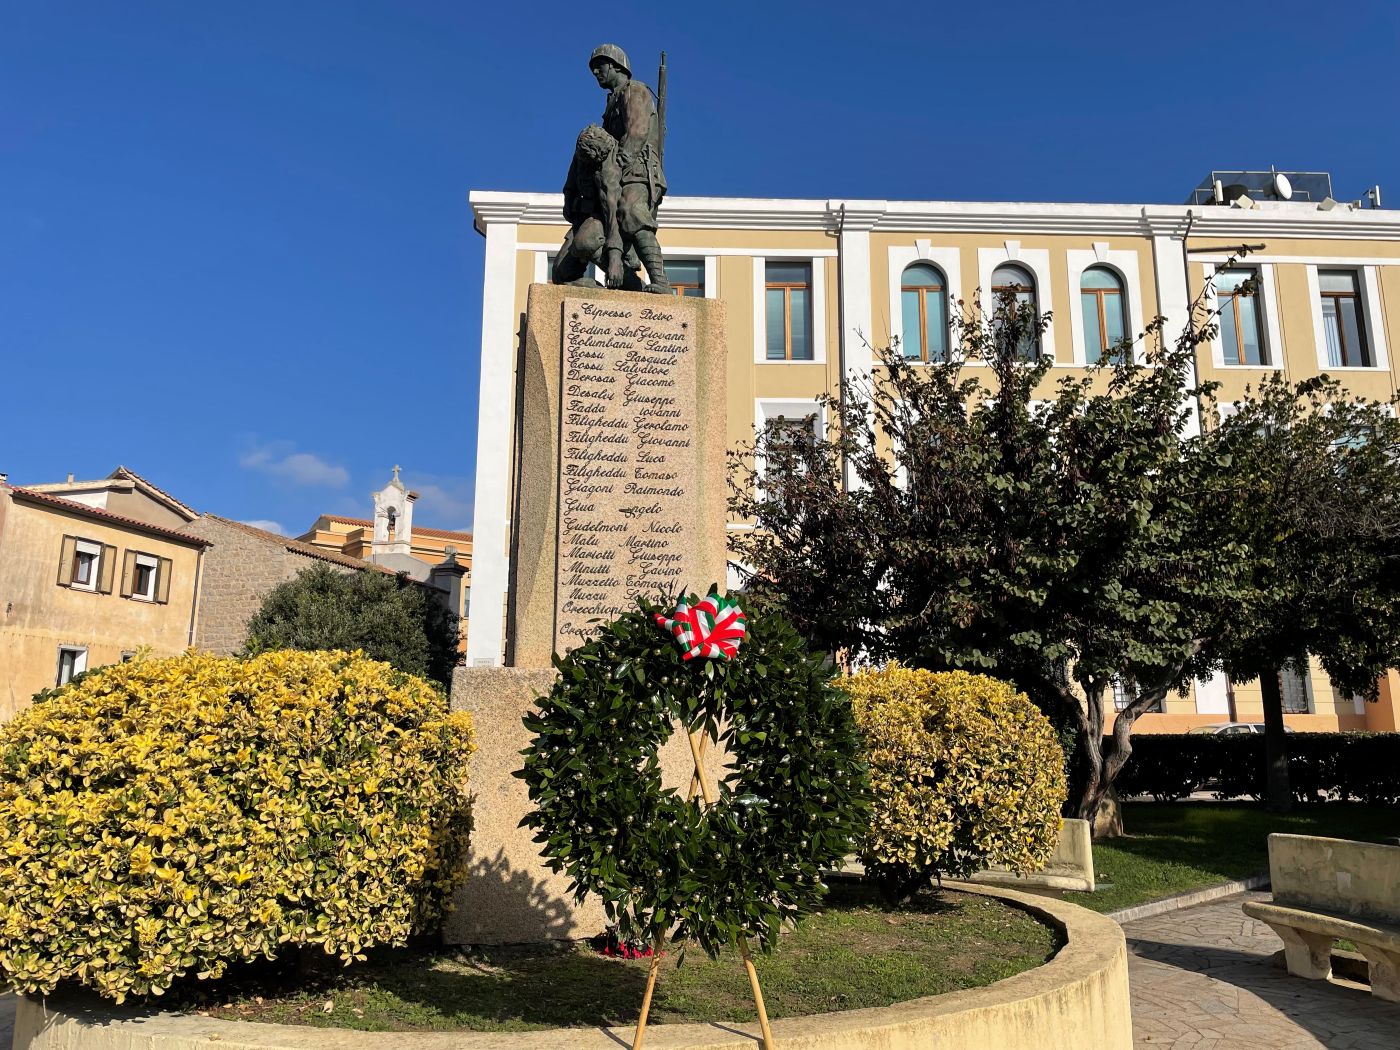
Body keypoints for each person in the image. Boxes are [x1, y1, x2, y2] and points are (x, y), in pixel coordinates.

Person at [587, 43, 670, 293]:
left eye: (599, 67)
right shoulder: (612, 101)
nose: (596, 73)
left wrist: (618, 164)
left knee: (632, 213)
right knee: (600, 229)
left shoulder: (634, 91)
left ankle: (660, 281)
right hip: (619, 173)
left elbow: (637, 132)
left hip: (638, 169)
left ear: (614, 66)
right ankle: (627, 278)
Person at [553, 124, 630, 288]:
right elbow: (570, 184)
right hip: (583, 217)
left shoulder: (608, 170)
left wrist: (615, 259)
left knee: (585, 242)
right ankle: (593, 292)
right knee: (561, 276)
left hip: (602, 220)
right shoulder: (582, 152)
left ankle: (627, 280)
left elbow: (612, 214)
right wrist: (569, 202)